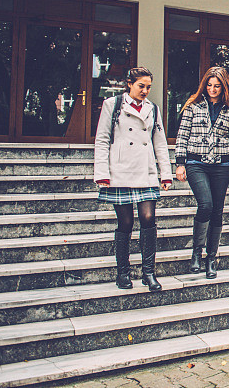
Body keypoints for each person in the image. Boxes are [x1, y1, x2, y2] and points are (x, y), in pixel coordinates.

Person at [94, 67, 173, 291]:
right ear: (129, 84)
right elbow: (102, 140)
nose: (145, 91)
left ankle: (149, 273)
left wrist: (165, 174)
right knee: (126, 223)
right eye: (141, 86)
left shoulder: (153, 109)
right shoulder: (113, 105)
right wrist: (101, 173)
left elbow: (160, 142)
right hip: (121, 171)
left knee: (148, 218)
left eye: (148, 87)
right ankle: (123, 273)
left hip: (145, 171)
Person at [175, 66, 229, 279]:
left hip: (221, 166)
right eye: (209, 85)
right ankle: (196, 252)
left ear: (223, 87)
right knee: (205, 204)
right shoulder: (193, 105)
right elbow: (182, 135)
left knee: (217, 211)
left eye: (217, 86)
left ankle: (211, 258)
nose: (212, 89)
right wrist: (180, 163)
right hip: (196, 162)